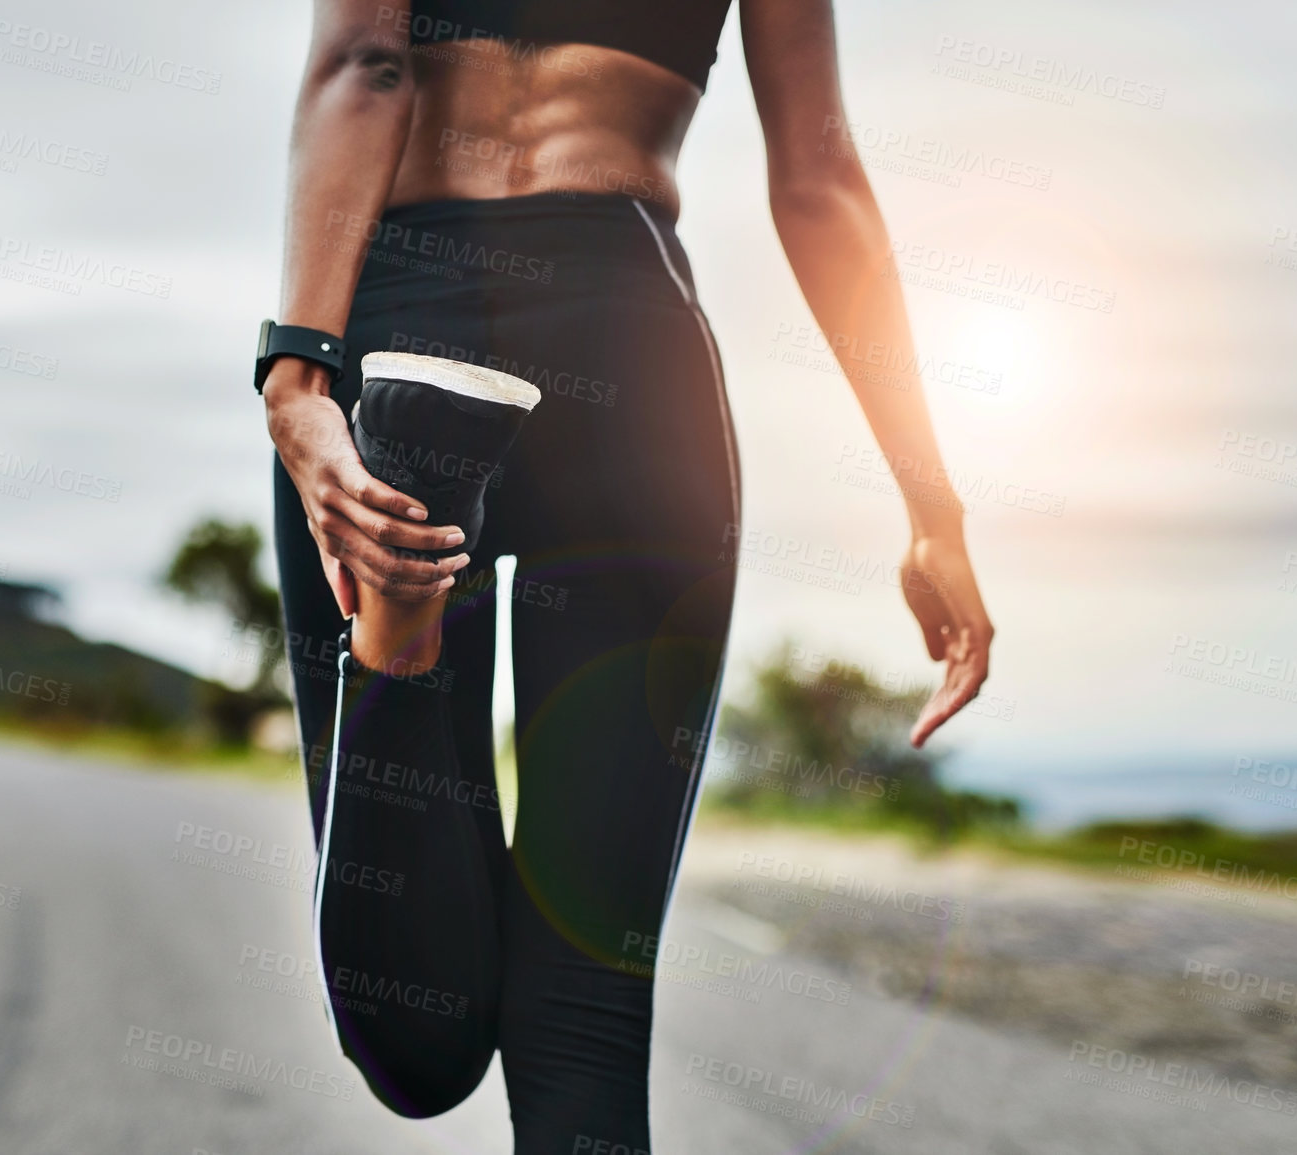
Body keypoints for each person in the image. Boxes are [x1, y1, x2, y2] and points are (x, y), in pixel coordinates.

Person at [259, 0, 994, 1147]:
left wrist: (297, 379)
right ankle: (401, 628)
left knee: (417, 1044)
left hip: (402, 344)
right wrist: (928, 502)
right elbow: (816, 173)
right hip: (627, 348)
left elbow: (365, 64)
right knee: (584, 1011)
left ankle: (398, 641)